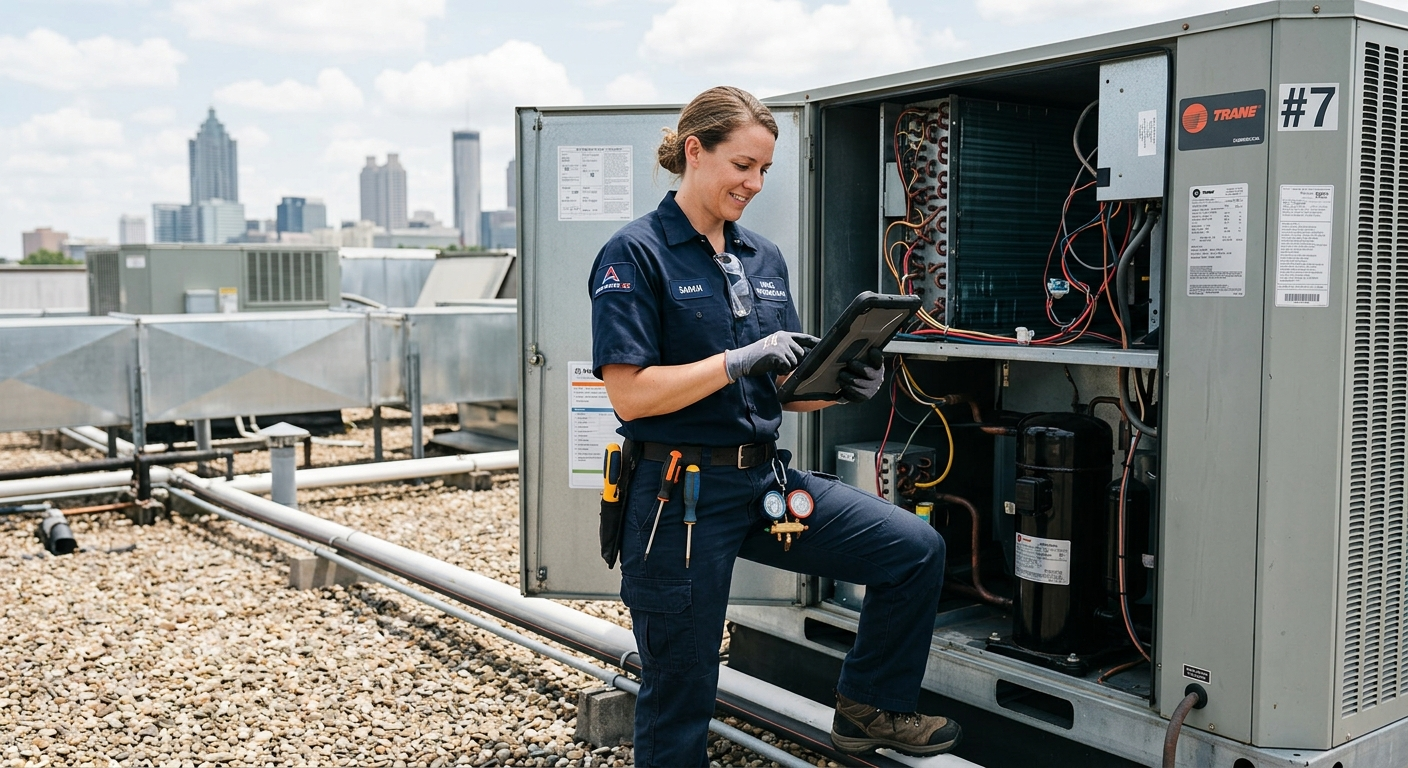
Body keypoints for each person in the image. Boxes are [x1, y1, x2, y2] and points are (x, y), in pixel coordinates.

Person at [588, 85, 961, 768]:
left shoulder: (762, 258)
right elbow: (630, 396)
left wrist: (840, 385)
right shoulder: (635, 253)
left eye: (764, 169)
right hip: (679, 496)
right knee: (681, 689)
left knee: (913, 550)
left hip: (763, 483)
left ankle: (869, 706)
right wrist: (736, 360)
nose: (754, 184)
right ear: (694, 152)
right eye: (742, 166)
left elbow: (782, 391)